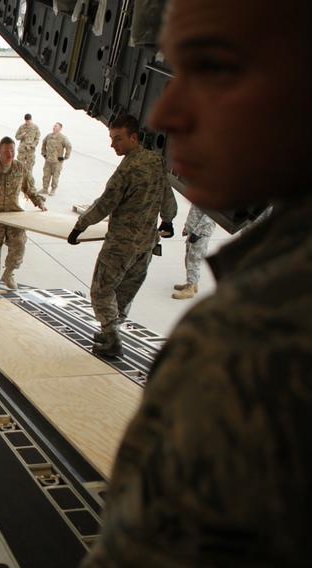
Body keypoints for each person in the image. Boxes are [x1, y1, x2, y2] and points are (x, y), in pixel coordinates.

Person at [83, 0, 312, 564]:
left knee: (102, 291)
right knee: (126, 287)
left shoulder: (252, 340)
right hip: (142, 240)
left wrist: (84, 224)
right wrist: (163, 220)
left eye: (214, 68)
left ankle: (112, 328)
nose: (166, 114)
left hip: (123, 238)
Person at [68, 114, 176, 357]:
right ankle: (112, 330)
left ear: (134, 138)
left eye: (118, 139)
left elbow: (105, 203)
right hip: (146, 245)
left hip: (122, 245)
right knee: (125, 291)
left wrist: (80, 227)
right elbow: (167, 195)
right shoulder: (156, 162)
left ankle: (111, 337)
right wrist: (168, 219)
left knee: (101, 290)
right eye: (111, 138)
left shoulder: (127, 169)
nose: (112, 144)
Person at [0, 136, 47, 288]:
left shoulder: (20, 168)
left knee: (19, 243)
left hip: (13, 214)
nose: (10, 154)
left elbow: (30, 188)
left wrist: (39, 202)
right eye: (6, 151)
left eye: (12, 151)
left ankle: (9, 273)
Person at [172, 204, 216, 299]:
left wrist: (198, 232)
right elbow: (195, 210)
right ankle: (193, 284)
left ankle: (190, 288)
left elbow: (211, 215)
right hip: (194, 229)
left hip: (201, 233)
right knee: (189, 256)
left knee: (194, 259)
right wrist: (187, 227)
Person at [40, 122, 72, 195]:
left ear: (60, 129)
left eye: (56, 126)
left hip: (57, 162)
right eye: (54, 126)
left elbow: (69, 146)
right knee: (46, 175)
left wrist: (65, 157)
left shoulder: (63, 138)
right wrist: (44, 153)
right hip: (48, 160)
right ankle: (44, 189)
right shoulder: (49, 136)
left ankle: (53, 190)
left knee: (55, 177)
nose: (54, 127)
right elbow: (43, 143)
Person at [15, 113, 41, 178]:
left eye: (29, 120)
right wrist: (22, 135)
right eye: (26, 121)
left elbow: (37, 139)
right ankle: (19, 184)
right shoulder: (22, 127)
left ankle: (28, 184)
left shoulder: (35, 127)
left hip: (30, 151)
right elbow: (16, 137)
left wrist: (33, 145)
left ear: (31, 119)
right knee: (19, 167)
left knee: (29, 168)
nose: (27, 122)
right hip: (22, 150)